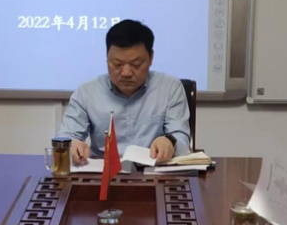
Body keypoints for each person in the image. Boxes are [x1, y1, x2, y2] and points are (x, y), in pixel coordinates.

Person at [58, 19, 191, 165]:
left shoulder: (170, 88)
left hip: (153, 170)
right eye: (118, 64)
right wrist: (72, 145)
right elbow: (66, 136)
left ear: (151, 57)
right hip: (104, 172)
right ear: (107, 58)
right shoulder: (87, 92)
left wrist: (169, 142)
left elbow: (181, 139)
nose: (126, 73)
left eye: (136, 64)